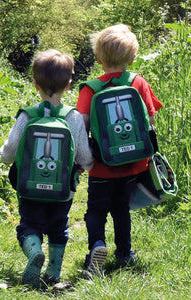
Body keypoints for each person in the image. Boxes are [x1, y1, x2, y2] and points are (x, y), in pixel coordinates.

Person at [0, 49, 93, 288]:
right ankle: (54, 272)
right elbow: (84, 156)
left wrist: (4, 155)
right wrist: (84, 167)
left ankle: (33, 252)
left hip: (29, 188)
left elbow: (9, 153)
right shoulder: (72, 117)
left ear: (34, 83)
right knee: (58, 227)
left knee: (29, 225)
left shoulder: (27, 116)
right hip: (63, 190)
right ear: (69, 85)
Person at [77, 24, 163, 275]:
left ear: (99, 59)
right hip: (132, 164)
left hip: (102, 166)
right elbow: (150, 119)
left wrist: (83, 159)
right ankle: (125, 253)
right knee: (121, 209)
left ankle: (97, 245)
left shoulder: (90, 88)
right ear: (132, 57)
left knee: (95, 210)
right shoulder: (138, 82)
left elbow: (81, 125)